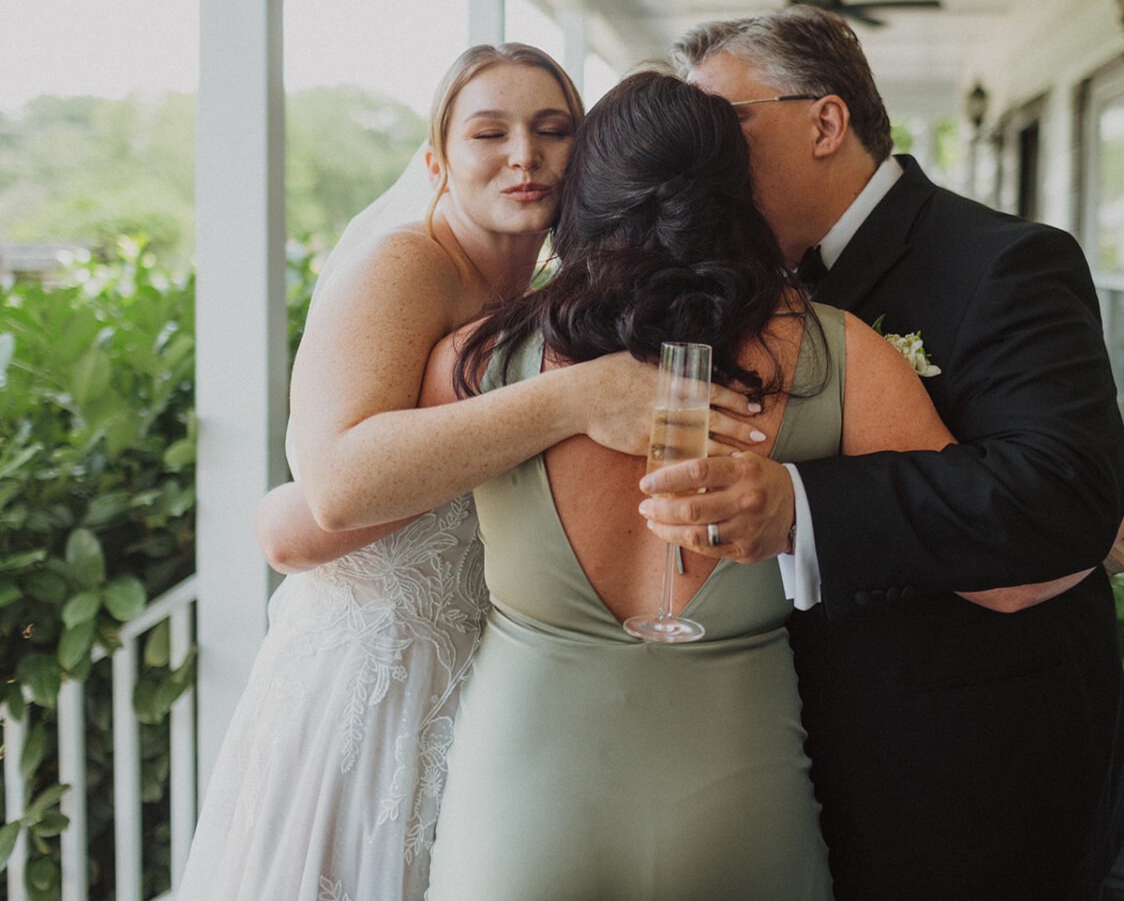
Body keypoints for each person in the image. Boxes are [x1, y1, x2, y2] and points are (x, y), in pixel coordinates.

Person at [417, 71, 1088, 900]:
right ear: (738, 194)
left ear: (582, 197)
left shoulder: (476, 360)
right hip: (741, 804)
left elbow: (341, 506)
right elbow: (1012, 577)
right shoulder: (835, 355)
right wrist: (1107, 522)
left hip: (518, 808)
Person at [177, 44, 756, 901]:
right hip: (369, 691)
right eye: (490, 132)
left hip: (480, 689)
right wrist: (573, 400)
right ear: (437, 160)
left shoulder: (549, 300)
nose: (524, 156)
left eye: (553, 130)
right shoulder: (406, 266)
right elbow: (333, 493)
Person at [642, 6, 1124, 899]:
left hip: (972, 766)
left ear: (825, 122)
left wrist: (801, 506)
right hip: (787, 755)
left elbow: (1060, 493)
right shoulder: (741, 280)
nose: (703, 158)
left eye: (725, 126)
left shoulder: (1006, 262)